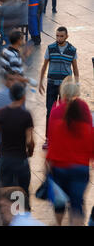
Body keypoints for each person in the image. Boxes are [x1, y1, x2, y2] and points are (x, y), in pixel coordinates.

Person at [46, 77, 94, 226]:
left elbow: (51, 138)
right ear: (77, 94)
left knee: (59, 204)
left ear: (63, 94)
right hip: (80, 167)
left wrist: (47, 163)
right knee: (77, 206)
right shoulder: (84, 109)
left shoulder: (55, 110)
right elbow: (90, 136)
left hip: (60, 166)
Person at [0, 83, 35, 197]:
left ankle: (5, 212)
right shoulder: (26, 115)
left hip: (5, 160)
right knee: (22, 194)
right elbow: (29, 140)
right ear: (23, 96)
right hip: (20, 160)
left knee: (4, 192)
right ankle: (20, 212)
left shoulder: (1, 113)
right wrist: (30, 151)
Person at [38, 27, 78, 150]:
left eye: (61, 36)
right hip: (52, 84)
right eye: (57, 36)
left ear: (67, 36)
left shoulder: (72, 50)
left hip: (66, 87)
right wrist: (40, 82)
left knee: (65, 112)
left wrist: (76, 85)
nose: (58, 38)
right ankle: (48, 138)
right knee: (50, 111)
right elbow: (44, 66)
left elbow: (75, 69)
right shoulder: (50, 48)